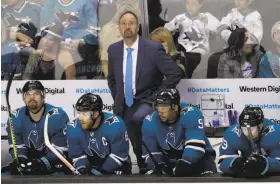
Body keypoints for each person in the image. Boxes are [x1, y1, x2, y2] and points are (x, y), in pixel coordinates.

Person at [107, 11, 183, 172]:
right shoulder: (113, 50)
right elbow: (112, 79)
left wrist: (159, 96)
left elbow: (175, 73)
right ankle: (143, 167)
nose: (128, 26)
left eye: (131, 23)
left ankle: (157, 164)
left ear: (138, 27)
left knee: (139, 118)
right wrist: (118, 96)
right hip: (125, 102)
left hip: (148, 98)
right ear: (119, 28)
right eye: (124, 23)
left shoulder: (152, 48)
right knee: (128, 135)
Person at [142, 88, 217, 176]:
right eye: (159, 106)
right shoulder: (149, 121)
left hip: (201, 161)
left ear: (175, 107)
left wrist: (184, 164)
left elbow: (196, 147)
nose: (160, 111)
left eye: (165, 106)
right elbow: (152, 152)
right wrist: (159, 166)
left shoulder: (191, 114)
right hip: (171, 162)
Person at [1, 81, 70, 175]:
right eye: (28, 94)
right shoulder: (15, 118)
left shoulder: (57, 116)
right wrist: (20, 160)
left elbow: (60, 150)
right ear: (24, 98)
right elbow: (17, 147)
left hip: (53, 166)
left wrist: (42, 163)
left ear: (43, 97)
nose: (31, 97)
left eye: (36, 93)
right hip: (28, 164)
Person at [66, 93, 131, 175]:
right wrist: (83, 169)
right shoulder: (73, 127)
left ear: (96, 114)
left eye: (84, 114)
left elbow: (119, 155)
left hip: (116, 168)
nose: (80, 118)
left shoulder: (115, 125)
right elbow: (78, 156)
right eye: (79, 112)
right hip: (92, 169)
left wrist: (99, 173)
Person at [218, 106, 280, 178]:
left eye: (252, 129)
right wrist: (238, 164)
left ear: (261, 125)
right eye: (244, 129)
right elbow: (222, 162)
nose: (248, 133)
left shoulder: (275, 132)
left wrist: (265, 164)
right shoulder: (231, 133)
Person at [164, 0, 219, 78]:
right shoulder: (180, 18)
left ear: (201, 4)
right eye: (187, 3)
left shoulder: (207, 16)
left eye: (193, 4)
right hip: (183, 54)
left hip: (201, 54)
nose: (189, 6)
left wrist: (207, 21)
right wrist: (175, 23)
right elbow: (165, 30)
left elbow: (218, 28)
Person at [99, 0, 142, 78]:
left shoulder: (146, 26)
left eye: (132, 3)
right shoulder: (110, 30)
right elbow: (106, 62)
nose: (127, 6)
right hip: (120, 82)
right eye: (123, 3)